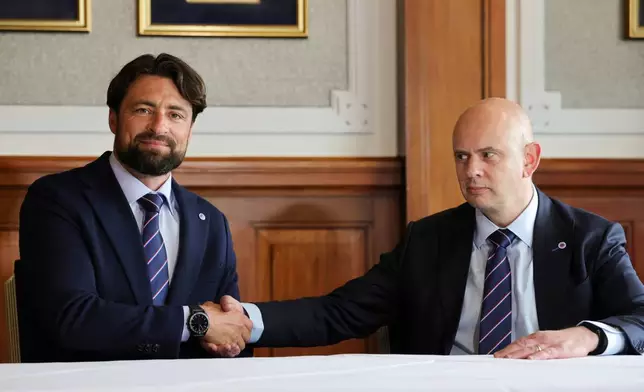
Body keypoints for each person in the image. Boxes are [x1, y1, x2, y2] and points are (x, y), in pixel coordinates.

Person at [223, 98, 644, 359]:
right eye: (461, 157)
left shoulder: (592, 238)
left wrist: (589, 337)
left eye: (488, 155)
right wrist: (247, 320)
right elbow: (341, 312)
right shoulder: (427, 240)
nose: (471, 171)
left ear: (529, 160)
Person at [16, 53, 252, 362]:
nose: (158, 127)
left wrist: (231, 340)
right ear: (113, 118)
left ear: (189, 131)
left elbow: (230, 333)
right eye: (144, 110)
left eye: (176, 115)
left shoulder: (211, 222)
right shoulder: (57, 200)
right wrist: (195, 321)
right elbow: (72, 320)